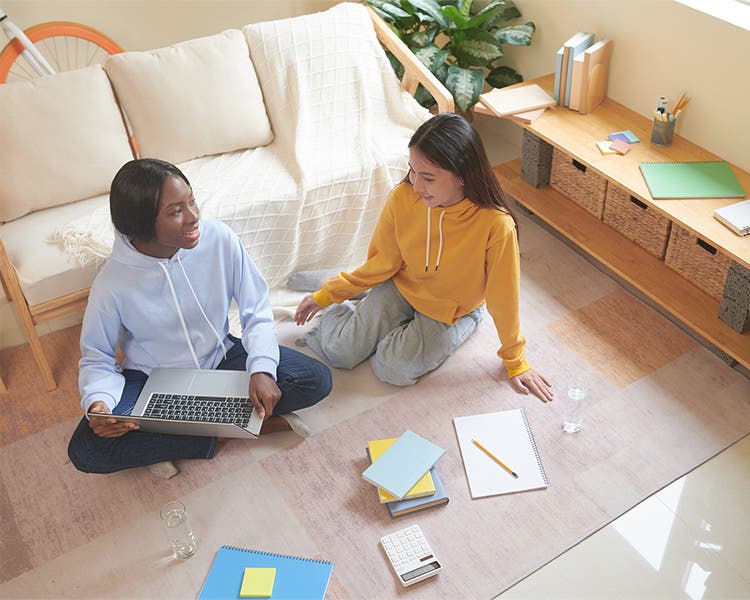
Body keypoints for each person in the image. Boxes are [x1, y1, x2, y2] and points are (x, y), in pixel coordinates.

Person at [68, 158, 332, 477]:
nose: (194, 216)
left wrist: (261, 367)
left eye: (191, 201)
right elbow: (97, 358)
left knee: (315, 379)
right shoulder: (112, 283)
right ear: (141, 223)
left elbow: (255, 306)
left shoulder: (219, 239)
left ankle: (177, 437)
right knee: (88, 450)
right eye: (176, 211)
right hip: (152, 379)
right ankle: (229, 431)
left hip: (220, 356)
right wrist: (100, 405)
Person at [293, 113, 552, 402]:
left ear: (463, 177)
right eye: (412, 171)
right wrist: (329, 295)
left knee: (392, 369)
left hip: (452, 308)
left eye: (428, 177)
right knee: (341, 352)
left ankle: (464, 320)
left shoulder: (495, 225)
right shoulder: (404, 197)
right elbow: (384, 262)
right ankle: (347, 286)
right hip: (402, 284)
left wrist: (515, 360)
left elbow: (504, 298)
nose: (416, 185)